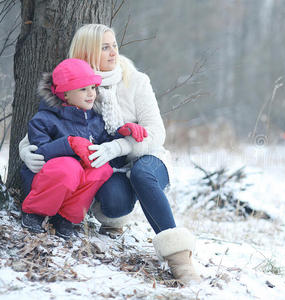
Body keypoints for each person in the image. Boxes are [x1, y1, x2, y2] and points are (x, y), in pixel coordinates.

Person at [19, 24, 200, 284]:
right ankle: (118, 211)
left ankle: (180, 258)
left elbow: (156, 134)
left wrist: (119, 145)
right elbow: (39, 128)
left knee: (142, 174)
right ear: (87, 51)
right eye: (105, 47)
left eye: (114, 45)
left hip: (145, 157)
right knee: (114, 203)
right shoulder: (73, 84)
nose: (114, 52)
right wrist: (26, 152)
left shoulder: (135, 80)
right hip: (110, 168)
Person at [21, 58, 145, 239]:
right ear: (64, 94)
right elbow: (39, 154)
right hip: (47, 182)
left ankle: (65, 218)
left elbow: (111, 159)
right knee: (69, 167)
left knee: (102, 168)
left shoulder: (95, 120)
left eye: (93, 88)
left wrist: (123, 134)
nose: (91, 94)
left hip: (74, 187)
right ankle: (34, 213)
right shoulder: (44, 119)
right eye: (83, 89)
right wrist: (68, 143)